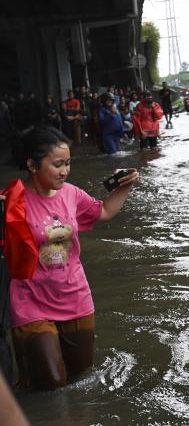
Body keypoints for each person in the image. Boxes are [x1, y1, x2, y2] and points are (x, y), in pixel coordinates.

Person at [1, 124, 139, 391]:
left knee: (80, 381)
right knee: (51, 383)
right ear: (32, 165)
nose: (65, 171)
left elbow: (104, 212)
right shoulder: (11, 202)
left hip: (75, 297)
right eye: (57, 165)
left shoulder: (72, 194)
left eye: (68, 163)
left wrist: (125, 186)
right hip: (30, 302)